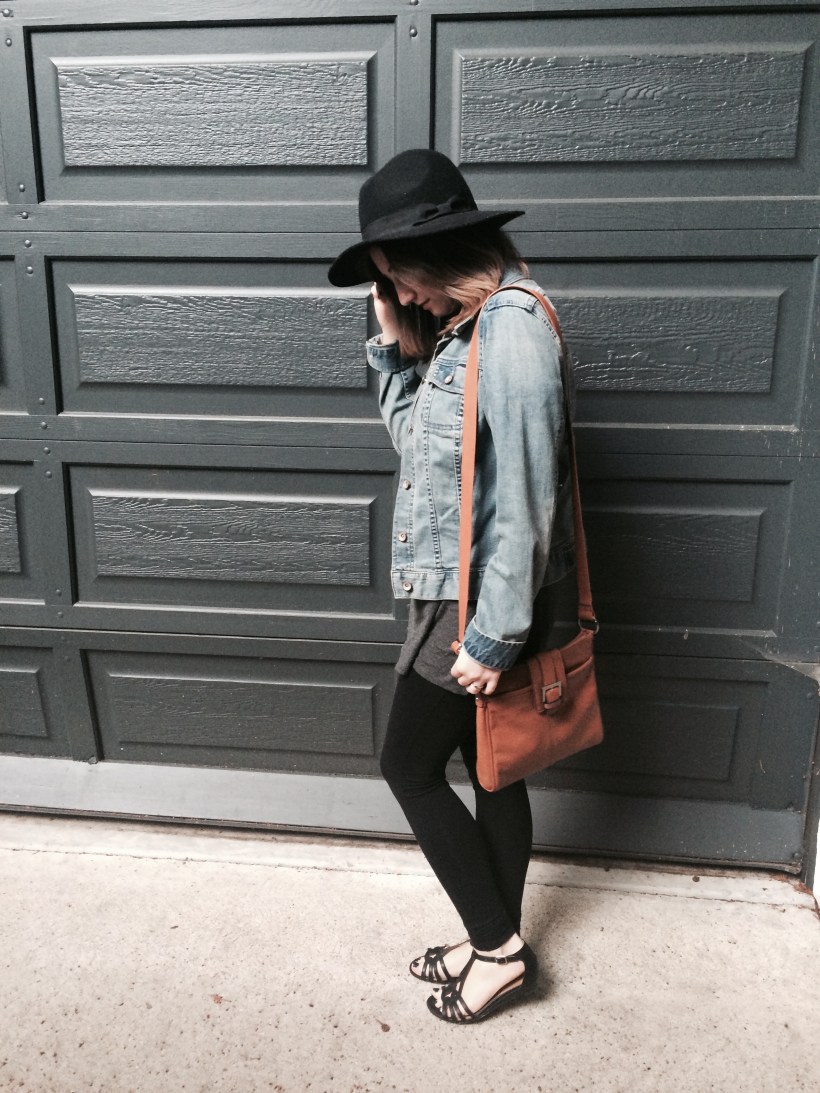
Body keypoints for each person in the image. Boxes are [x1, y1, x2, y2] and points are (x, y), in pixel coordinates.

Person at [328, 149, 575, 1024]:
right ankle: (490, 941)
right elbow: (425, 457)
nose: (406, 298)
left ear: (437, 258)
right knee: (491, 769)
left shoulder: (511, 327)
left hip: (478, 602)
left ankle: (499, 950)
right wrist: (397, 348)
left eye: (402, 280)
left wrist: (495, 632)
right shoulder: (460, 335)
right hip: (454, 591)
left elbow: (527, 499)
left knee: (408, 764)